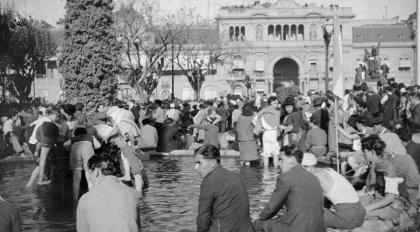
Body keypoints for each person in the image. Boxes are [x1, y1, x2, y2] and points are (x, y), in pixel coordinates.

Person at [252, 145, 325, 232]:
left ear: (291, 159)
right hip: (318, 228)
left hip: (296, 228)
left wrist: (258, 217)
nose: (279, 163)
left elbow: (272, 208)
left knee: (257, 223)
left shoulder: (285, 178)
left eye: (281, 159)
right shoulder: (314, 178)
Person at [194, 145, 255, 232]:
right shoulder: (235, 176)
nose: (196, 168)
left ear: (213, 163)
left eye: (199, 163)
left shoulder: (209, 181)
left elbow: (203, 218)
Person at [301, 153, 366, 229]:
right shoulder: (328, 170)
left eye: (305, 167)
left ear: (312, 165)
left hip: (348, 218)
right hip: (360, 213)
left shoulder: (314, 176)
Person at [76, 155, 139, 232]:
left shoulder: (84, 200)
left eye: (90, 173)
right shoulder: (133, 193)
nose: (89, 178)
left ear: (96, 172)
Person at [360, 135, 411, 220]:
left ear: (372, 152)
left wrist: (368, 208)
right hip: (379, 196)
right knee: (352, 205)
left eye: (365, 153)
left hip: (394, 204)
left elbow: (390, 197)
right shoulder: (376, 163)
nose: (364, 156)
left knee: (360, 214)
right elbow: (369, 190)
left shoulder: (389, 166)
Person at [63, 127, 101, 201]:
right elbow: (98, 146)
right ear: (85, 132)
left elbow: (64, 144)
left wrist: (70, 149)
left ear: (75, 134)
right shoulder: (90, 136)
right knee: (89, 173)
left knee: (76, 177)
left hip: (75, 151)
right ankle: (92, 196)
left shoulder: (74, 138)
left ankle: (75, 199)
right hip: (88, 150)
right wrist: (93, 147)